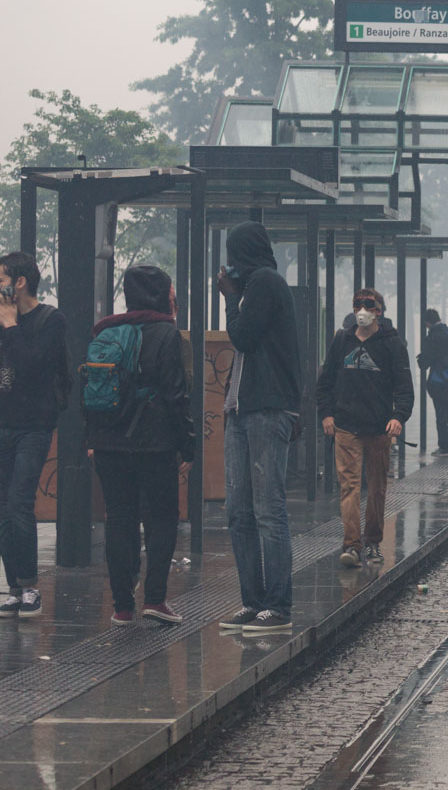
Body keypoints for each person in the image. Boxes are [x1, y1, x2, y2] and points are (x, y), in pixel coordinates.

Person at [86, 266, 195, 627]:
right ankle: (155, 599)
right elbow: (177, 397)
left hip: (108, 443)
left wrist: (92, 438)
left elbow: (92, 390)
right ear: (161, 295)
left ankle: (121, 606)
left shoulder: (106, 330)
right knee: (162, 517)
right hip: (155, 444)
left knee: (118, 518)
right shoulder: (167, 334)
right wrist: (188, 446)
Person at [216, 221, 301, 634]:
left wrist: (231, 301)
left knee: (268, 509)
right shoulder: (254, 287)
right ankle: (252, 601)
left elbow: (243, 337)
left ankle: (278, 604)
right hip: (240, 408)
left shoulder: (266, 282)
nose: (229, 267)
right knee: (239, 511)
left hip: (267, 409)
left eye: (233, 256)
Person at [318, 289, 414, 566]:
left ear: (379, 311)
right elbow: (325, 382)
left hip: (379, 428)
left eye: (368, 305)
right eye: (357, 304)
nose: (362, 309)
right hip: (346, 427)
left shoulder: (392, 344)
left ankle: (372, 542)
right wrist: (326, 414)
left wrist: (398, 417)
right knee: (348, 486)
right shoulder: (342, 341)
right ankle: (351, 545)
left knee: (376, 488)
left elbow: (404, 387)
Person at [0, 253, 68, 621]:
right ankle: (13, 587)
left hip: (34, 425)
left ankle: (29, 586)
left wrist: (10, 325)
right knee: (2, 508)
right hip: (2, 422)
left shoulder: (50, 320)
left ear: (19, 282)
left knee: (19, 502)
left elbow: (32, 365)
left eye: (1, 278)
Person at [417, 309, 448, 455]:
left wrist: (421, 359)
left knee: (441, 413)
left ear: (427, 323)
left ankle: (443, 446)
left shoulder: (432, 337)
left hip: (438, 381)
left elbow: (425, 363)